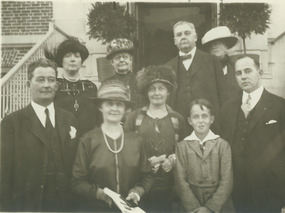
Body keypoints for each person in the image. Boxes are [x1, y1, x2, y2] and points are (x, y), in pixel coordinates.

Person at [220, 54, 285, 213]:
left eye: (248, 71)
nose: (243, 76)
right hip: (237, 187)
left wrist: (271, 160)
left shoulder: (280, 105)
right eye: (239, 73)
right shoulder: (228, 108)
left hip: (269, 186)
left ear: (260, 73)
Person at [0, 58, 79, 211]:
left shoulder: (69, 118)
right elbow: (3, 173)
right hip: (29, 203)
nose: (46, 85)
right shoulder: (12, 123)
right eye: (40, 79)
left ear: (56, 86)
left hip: (65, 204)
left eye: (51, 80)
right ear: (28, 84)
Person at [71, 79, 153, 212]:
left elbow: (148, 175)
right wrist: (100, 193)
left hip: (130, 209)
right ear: (100, 107)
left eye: (119, 104)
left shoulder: (136, 140)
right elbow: (77, 182)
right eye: (109, 104)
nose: (114, 109)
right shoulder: (88, 140)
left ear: (126, 109)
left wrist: (138, 191)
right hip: (96, 209)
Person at [124, 65, 186, 213]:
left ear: (168, 91)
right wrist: (144, 162)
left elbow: (185, 150)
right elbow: (125, 149)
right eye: (152, 89)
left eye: (161, 88)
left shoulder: (177, 119)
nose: (156, 93)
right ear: (146, 92)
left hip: (169, 186)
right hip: (140, 186)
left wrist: (173, 159)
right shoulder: (134, 117)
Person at [166, 21, 227, 135]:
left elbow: (223, 95)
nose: (183, 37)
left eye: (187, 33)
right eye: (179, 35)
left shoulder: (212, 61)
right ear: (175, 41)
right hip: (181, 127)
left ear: (195, 37)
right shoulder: (169, 67)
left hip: (210, 125)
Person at [174, 99, 233, 213]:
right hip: (190, 207)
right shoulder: (182, 146)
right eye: (196, 117)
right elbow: (180, 182)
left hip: (219, 207)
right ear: (189, 120)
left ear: (212, 119)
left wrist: (210, 208)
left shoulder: (223, 145)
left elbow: (227, 181)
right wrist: (194, 208)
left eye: (205, 116)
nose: (201, 121)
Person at [45, 37, 98, 137]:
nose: (73, 59)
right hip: (60, 141)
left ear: (81, 61)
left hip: (86, 142)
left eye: (77, 56)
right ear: (61, 60)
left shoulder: (91, 87)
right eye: (68, 56)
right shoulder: (54, 86)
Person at [202, 26, 240, 98]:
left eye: (217, 43)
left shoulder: (235, 67)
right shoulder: (204, 69)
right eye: (211, 45)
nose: (214, 46)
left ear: (226, 46)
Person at [106, 38, 140, 108]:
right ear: (112, 62)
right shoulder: (107, 84)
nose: (121, 60)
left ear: (131, 60)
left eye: (125, 57)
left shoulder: (140, 80)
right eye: (118, 58)